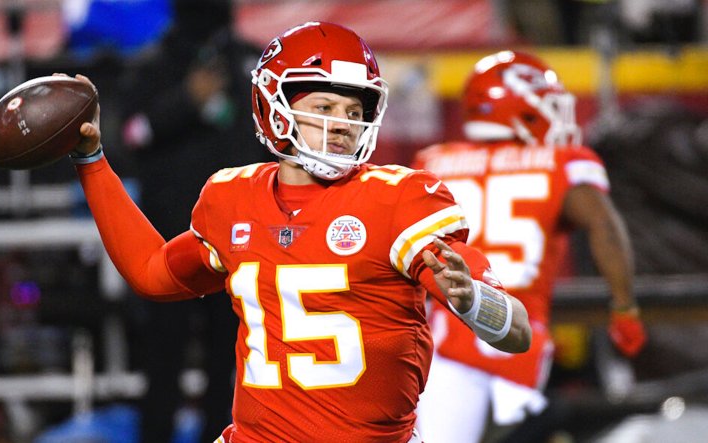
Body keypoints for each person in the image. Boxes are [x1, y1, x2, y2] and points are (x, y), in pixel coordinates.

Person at [66, 22, 532, 442]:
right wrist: (93, 161)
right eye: (325, 105)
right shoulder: (232, 197)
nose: (344, 124)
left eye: (354, 111)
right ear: (275, 107)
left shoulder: (400, 200)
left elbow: (517, 332)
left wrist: (472, 300)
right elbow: (152, 272)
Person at [412, 50, 647, 443]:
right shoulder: (560, 161)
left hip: (446, 338)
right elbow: (604, 225)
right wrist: (625, 306)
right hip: (516, 334)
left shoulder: (433, 162)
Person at [115, 1, 269, 441]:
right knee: (163, 355)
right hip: (171, 240)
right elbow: (130, 137)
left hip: (240, 240)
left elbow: (272, 148)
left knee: (234, 357)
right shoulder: (154, 66)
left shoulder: (252, 63)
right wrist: (186, 101)